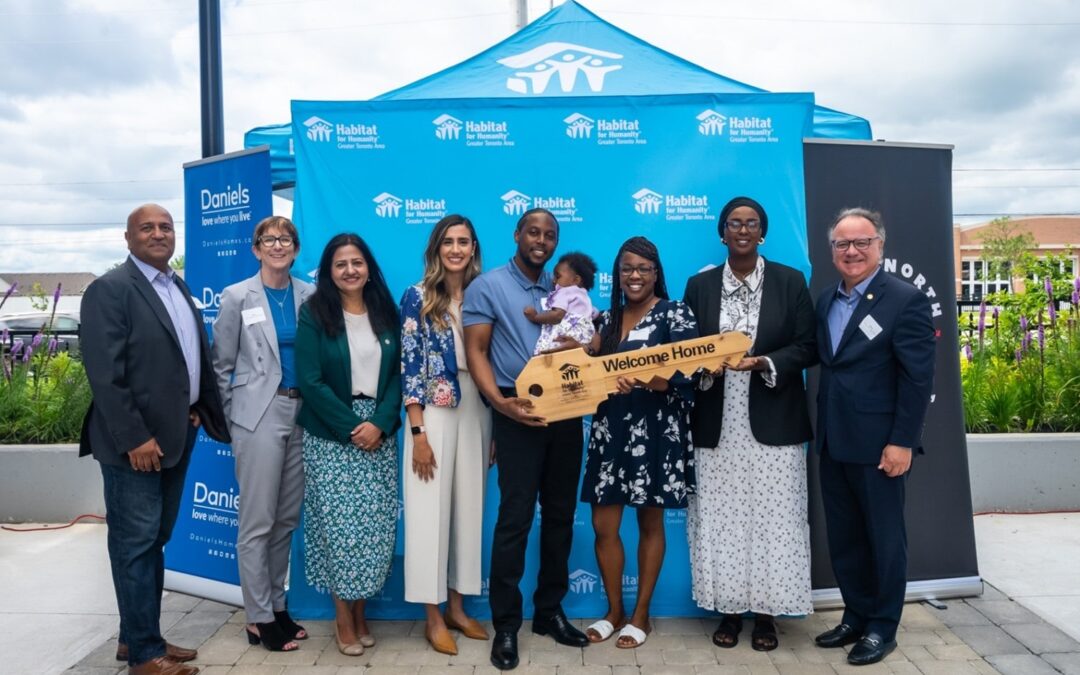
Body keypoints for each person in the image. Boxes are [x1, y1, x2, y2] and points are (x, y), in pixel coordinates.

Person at [80, 203, 230, 675]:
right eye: (147, 228)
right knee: (136, 543)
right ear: (128, 239)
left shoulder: (176, 287)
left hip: (174, 436)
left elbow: (187, 359)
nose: (159, 234)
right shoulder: (110, 289)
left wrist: (196, 410)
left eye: (166, 227)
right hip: (135, 446)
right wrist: (136, 437)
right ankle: (145, 656)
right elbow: (106, 375)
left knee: (153, 540)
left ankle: (137, 637)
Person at [682, 197, 817, 652]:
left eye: (751, 223)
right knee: (721, 517)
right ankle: (729, 609)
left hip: (773, 416)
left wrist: (764, 362)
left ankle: (766, 614)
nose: (742, 229)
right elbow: (685, 350)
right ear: (722, 232)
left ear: (762, 233)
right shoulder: (699, 286)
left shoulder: (789, 281)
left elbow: (808, 347)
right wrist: (705, 367)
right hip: (715, 420)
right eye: (734, 223)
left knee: (774, 519)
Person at [462, 208, 590, 671]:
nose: (541, 240)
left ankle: (550, 612)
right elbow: (476, 349)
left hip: (567, 409)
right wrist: (499, 404)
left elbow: (585, 338)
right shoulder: (488, 286)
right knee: (514, 519)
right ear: (517, 235)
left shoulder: (566, 291)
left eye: (550, 234)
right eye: (533, 232)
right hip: (516, 410)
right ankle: (507, 626)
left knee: (560, 514)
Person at [812, 208, 935, 666]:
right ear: (833, 252)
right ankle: (855, 616)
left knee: (884, 539)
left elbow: (917, 379)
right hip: (833, 441)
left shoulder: (904, 299)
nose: (852, 252)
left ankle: (883, 627)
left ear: (880, 246)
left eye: (862, 242)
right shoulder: (825, 299)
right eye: (843, 244)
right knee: (845, 538)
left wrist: (903, 441)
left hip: (880, 444)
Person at [580, 236, 697, 649]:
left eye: (643, 269)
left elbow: (692, 373)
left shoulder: (674, 313)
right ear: (617, 274)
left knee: (650, 521)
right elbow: (586, 375)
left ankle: (641, 616)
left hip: (655, 430)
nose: (634, 276)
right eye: (627, 268)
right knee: (603, 525)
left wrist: (653, 377)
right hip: (610, 429)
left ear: (656, 273)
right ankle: (614, 610)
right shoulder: (605, 320)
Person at [295, 233, 401, 657]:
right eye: (341, 264)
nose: (350, 270)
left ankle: (360, 614)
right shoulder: (314, 312)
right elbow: (311, 380)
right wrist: (353, 427)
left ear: (368, 267)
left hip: (380, 436)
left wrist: (378, 423)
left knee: (371, 534)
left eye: (357, 262)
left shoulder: (385, 312)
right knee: (340, 535)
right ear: (328, 271)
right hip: (332, 439)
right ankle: (343, 619)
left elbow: (398, 376)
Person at [211, 216, 314, 652]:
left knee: (286, 518)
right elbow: (221, 365)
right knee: (257, 522)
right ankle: (257, 618)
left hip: (301, 412)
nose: (277, 245)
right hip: (258, 415)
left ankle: (276, 604)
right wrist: (239, 419)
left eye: (285, 239)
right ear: (256, 249)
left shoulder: (309, 294)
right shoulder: (238, 296)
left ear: (295, 248)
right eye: (269, 240)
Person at [399, 215, 492, 655]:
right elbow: (410, 369)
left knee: (468, 511)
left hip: (478, 405)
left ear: (474, 248)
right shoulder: (417, 296)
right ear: (436, 248)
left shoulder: (484, 294)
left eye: (464, 242)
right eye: (447, 242)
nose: (456, 249)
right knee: (427, 513)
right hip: (432, 412)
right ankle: (432, 617)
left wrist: (495, 424)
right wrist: (418, 433)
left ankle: (458, 607)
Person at [525, 251, 598, 354]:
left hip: (562, 340)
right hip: (582, 341)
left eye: (557, 276)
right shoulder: (585, 297)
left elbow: (557, 316)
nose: (553, 281)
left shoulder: (564, 291)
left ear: (576, 280)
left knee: (546, 353)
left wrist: (535, 317)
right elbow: (594, 314)